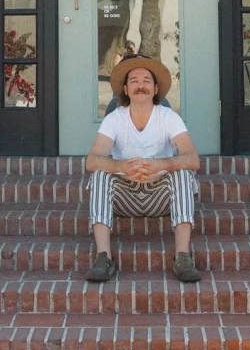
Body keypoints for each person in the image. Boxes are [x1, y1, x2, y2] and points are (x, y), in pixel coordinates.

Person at [84, 54, 201, 283]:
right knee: (99, 176)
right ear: (126, 89)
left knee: (183, 174)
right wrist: (121, 167)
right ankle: (103, 257)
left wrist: (162, 164)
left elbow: (193, 158)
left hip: (160, 196)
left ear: (156, 89)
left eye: (147, 80)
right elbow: (92, 160)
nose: (141, 85)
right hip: (124, 196)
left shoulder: (168, 117)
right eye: (134, 81)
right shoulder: (115, 119)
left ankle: (183, 257)